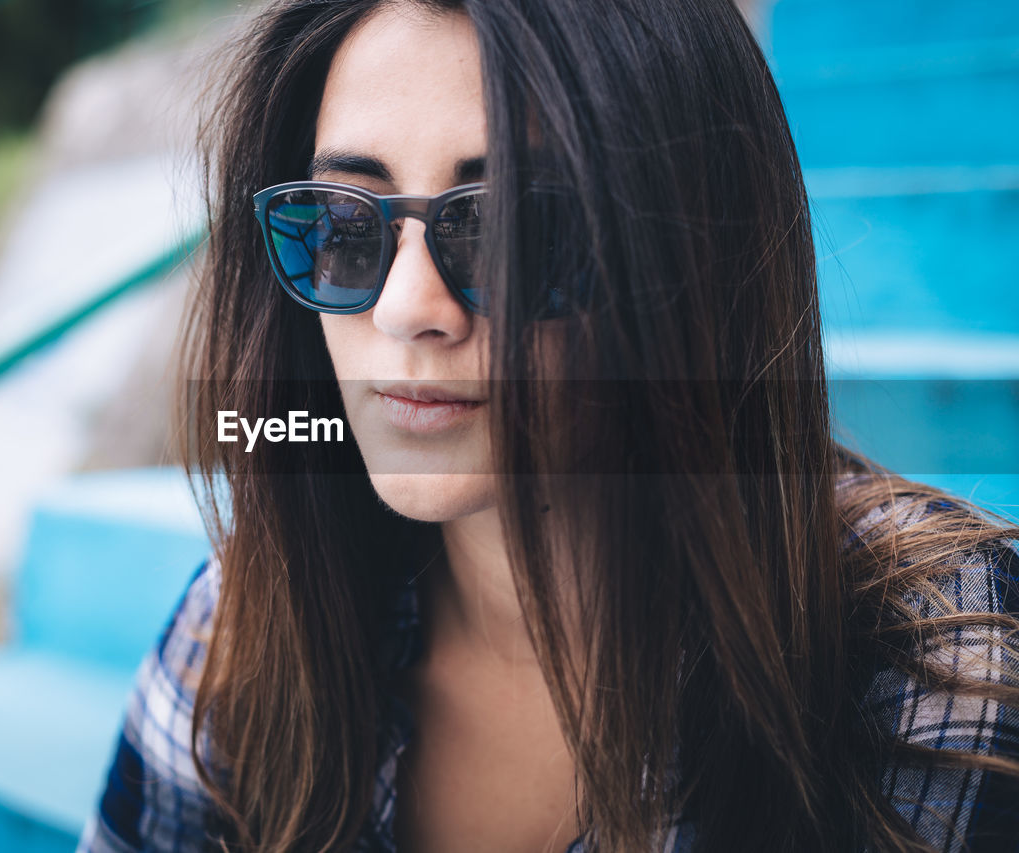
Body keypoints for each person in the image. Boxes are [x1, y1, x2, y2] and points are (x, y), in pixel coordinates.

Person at [79, 0, 1019, 850]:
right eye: (344, 222)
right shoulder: (244, 628)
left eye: (511, 231)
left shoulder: (931, 657)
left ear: (692, 255)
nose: (409, 309)